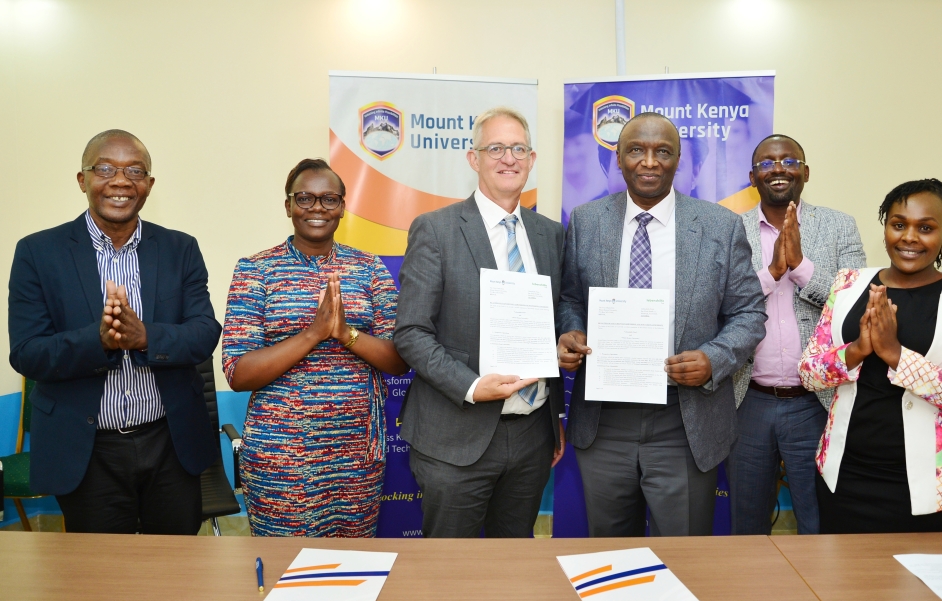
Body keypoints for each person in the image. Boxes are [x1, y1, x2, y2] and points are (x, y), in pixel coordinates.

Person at [557, 112, 767, 537]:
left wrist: (713, 358)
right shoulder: (586, 220)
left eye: (662, 152)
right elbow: (571, 298)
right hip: (605, 419)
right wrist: (571, 330)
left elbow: (749, 314)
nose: (649, 161)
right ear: (618, 158)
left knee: (685, 556)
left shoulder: (719, 227)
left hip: (685, 420)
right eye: (636, 150)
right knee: (611, 556)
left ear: (678, 160)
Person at [8, 129, 222, 534]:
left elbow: (204, 332)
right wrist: (98, 341)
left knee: (176, 572)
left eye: (134, 170)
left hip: (170, 444)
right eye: (105, 168)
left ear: (149, 185)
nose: (120, 181)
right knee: (101, 581)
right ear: (82, 179)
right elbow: (27, 352)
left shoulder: (181, 249)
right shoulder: (38, 253)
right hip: (87, 451)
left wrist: (146, 337)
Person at [394, 106, 565, 538]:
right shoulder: (436, 230)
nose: (508, 158)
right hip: (456, 436)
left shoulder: (551, 235)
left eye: (518, 149)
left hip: (531, 434)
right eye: (496, 148)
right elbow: (411, 333)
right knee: (452, 579)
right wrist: (472, 386)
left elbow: (558, 317)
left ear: (532, 159)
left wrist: (566, 345)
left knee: (514, 569)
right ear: (474, 159)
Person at [221, 158, 408, 537]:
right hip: (282, 457)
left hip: (356, 454)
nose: (317, 208)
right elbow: (238, 372)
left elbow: (399, 359)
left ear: (343, 207)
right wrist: (313, 333)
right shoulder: (256, 270)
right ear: (288, 205)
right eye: (305, 198)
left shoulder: (370, 269)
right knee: (285, 574)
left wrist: (345, 334)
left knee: (352, 570)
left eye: (329, 199)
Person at [799, 178, 942, 533]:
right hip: (844, 478)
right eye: (899, 224)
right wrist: (858, 350)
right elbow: (809, 373)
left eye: (926, 228)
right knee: (842, 587)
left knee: (920, 589)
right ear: (886, 226)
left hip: (931, 490)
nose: (909, 237)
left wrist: (896, 355)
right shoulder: (848, 285)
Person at [729, 135, 866, 535]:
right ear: (752, 176)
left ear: (805, 171)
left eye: (789, 160)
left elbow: (855, 306)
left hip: (816, 404)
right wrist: (771, 274)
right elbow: (721, 305)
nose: (778, 168)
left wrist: (801, 266)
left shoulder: (839, 226)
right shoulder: (730, 229)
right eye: (767, 162)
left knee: (819, 521)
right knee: (747, 522)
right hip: (747, 401)